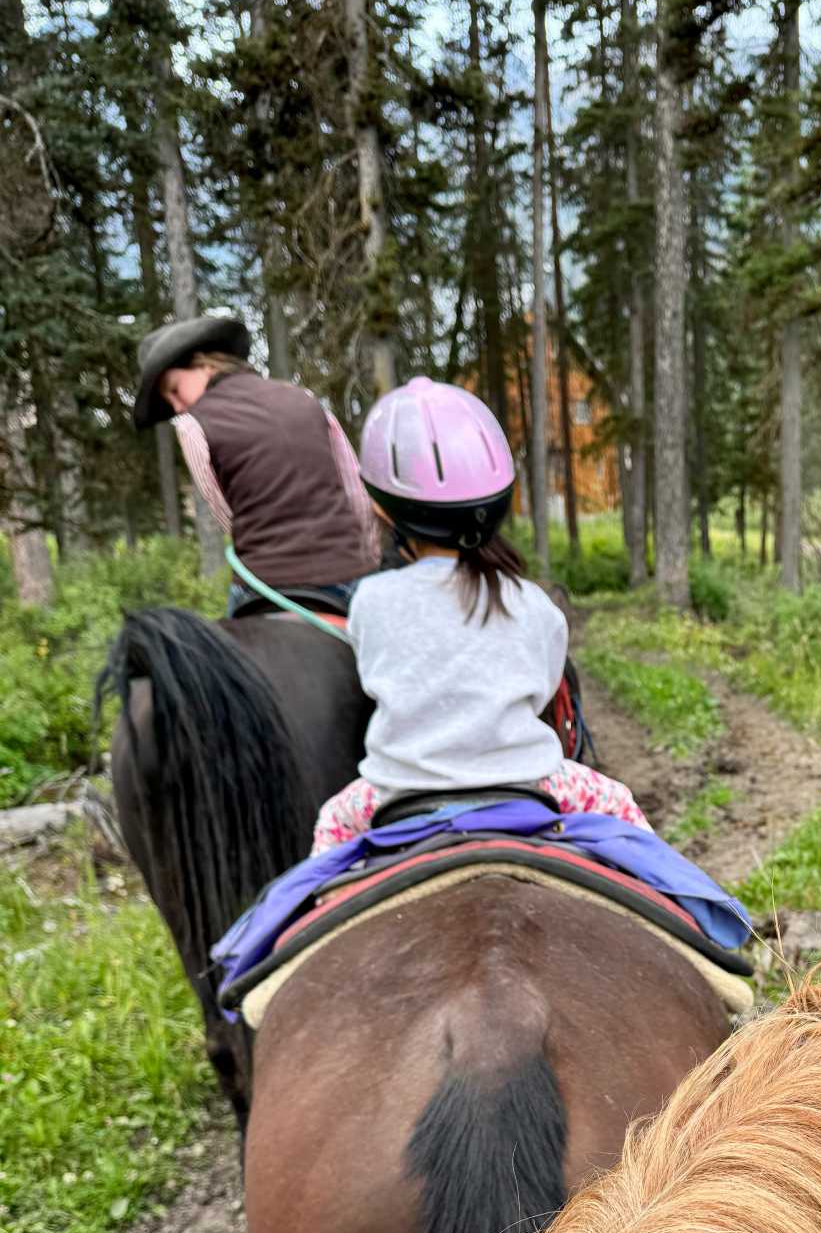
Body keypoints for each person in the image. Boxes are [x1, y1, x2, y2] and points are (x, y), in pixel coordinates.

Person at [309, 377, 650, 854]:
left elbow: (373, 675)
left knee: (329, 831)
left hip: (397, 791)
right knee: (622, 808)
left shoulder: (370, 599)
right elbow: (545, 687)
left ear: (383, 510)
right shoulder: (534, 603)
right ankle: (691, 911)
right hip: (529, 780)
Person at [132, 313, 380, 617]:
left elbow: (227, 514)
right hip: (348, 575)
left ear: (203, 365)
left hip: (266, 583)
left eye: (174, 390)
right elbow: (356, 493)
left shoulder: (192, 425)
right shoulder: (304, 398)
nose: (177, 406)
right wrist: (365, 561)